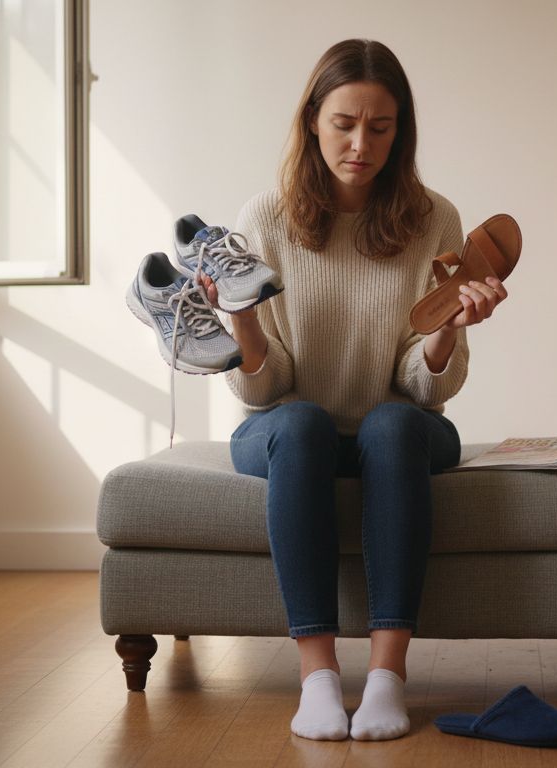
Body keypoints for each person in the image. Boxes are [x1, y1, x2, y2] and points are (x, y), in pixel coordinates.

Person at [197, 39, 508, 742]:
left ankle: (387, 677)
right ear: (312, 121)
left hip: (396, 430)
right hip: (288, 430)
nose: (361, 144)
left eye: (380, 127)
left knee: (390, 424)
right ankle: (318, 679)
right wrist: (240, 317)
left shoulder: (434, 218)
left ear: (401, 133)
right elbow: (265, 391)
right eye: (343, 123)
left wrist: (448, 327)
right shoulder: (265, 218)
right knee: (301, 422)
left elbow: (421, 389)